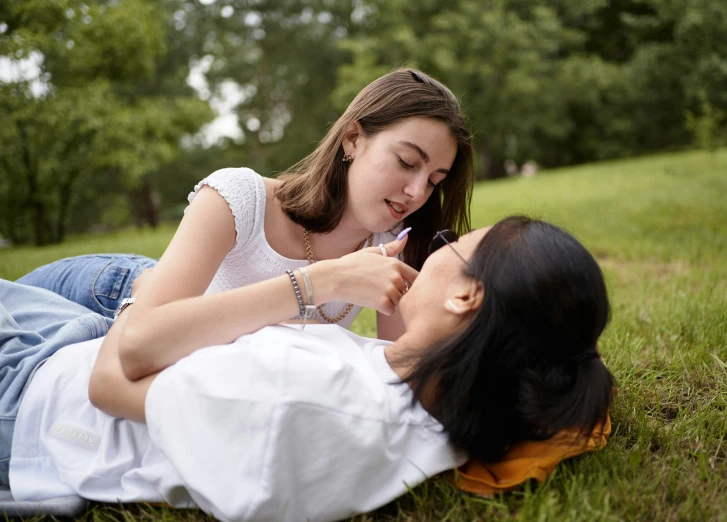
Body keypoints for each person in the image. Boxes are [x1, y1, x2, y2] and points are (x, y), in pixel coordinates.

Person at [2, 216, 614, 522]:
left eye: (449, 245)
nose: (431, 251)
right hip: (61, 356)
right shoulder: (408, 386)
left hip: (31, 391)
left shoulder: (302, 402)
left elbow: (111, 378)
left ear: (466, 298)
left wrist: (312, 283)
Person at [17, 68, 474, 376]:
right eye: (406, 162)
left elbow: (399, 365)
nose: (417, 192)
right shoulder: (240, 198)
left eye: (434, 179)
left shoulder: (394, 243)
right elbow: (137, 344)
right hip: (114, 292)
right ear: (353, 138)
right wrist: (318, 281)